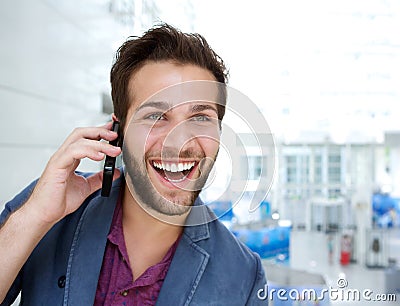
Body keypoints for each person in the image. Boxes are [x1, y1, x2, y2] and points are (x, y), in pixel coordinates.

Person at [0, 24, 267, 305]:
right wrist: (35, 217)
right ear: (118, 130)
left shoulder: (244, 276)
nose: (178, 143)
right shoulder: (45, 210)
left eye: (200, 117)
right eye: (155, 116)